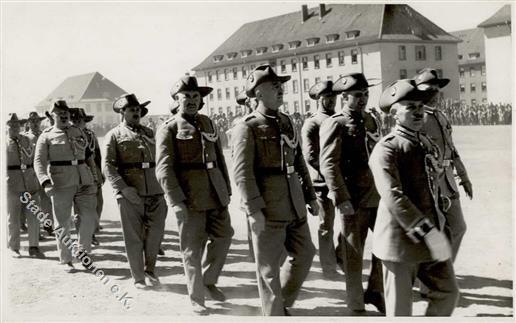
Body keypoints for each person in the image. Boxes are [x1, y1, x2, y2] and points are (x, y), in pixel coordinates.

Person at [232, 65, 319, 316]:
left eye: (280, 84)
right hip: (268, 208)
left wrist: (310, 196)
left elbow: (299, 160)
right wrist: (254, 210)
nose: (281, 89)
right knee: (268, 270)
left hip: (294, 203)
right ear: (258, 93)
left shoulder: (286, 120)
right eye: (274, 86)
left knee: (304, 255)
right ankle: (274, 315)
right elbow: (242, 174)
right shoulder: (246, 127)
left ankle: (281, 304)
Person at [369, 79, 459, 316]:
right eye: (410, 107)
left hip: (431, 237)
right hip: (400, 242)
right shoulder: (387, 148)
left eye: (420, 106)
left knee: (448, 293)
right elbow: (393, 197)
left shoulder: (426, 143)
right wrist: (427, 231)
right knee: (400, 311)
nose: (418, 112)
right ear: (395, 114)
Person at [156, 76, 233, 315]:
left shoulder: (208, 123)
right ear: (177, 100)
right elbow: (164, 169)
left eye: (195, 96)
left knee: (224, 237)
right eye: (186, 96)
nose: (191, 100)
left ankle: (209, 280)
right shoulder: (168, 128)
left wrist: (226, 189)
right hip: (190, 198)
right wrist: (176, 201)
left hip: (216, 192)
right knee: (192, 249)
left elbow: (219, 159)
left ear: (201, 100)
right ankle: (197, 297)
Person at [319, 73, 385, 314]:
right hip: (353, 199)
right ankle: (356, 306)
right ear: (344, 97)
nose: (363, 99)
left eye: (366, 95)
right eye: (358, 95)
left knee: (387, 244)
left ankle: (376, 291)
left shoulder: (371, 120)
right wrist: (341, 198)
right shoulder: (335, 123)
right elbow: (328, 164)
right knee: (354, 256)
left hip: (378, 195)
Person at [103, 93, 167, 289]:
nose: (136, 112)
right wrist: (123, 189)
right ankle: (139, 277)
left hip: (156, 191)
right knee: (133, 237)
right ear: (122, 113)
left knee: (155, 234)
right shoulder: (114, 135)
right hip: (131, 193)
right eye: (132, 109)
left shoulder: (150, 132)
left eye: (138, 109)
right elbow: (108, 166)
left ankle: (150, 270)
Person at [414, 68, 472, 263]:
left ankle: (443, 271)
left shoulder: (441, 116)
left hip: (447, 181)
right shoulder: (416, 117)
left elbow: (452, 149)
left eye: (437, 89)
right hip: (427, 182)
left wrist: (464, 177)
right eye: (429, 89)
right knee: (429, 231)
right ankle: (429, 282)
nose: (434, 93)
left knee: (458, 227)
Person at [34, 100, 98, 272]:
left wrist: (95, 175)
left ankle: (84, 253)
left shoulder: (77, 131)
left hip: (84, 179)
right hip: (60, 182)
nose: (63, 116)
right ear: (52, 116)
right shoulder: (46, 136)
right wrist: (45, 182)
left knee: (88, 217)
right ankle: (66, 259)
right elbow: (39, 162)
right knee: (62, 222)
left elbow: (88, 155)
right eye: (59, 113)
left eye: (66, 113)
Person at [301, 80, 343, 279]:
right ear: (318, 99)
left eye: (334, 96)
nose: (331, 100)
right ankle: (328, 266)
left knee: (350, 222)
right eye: (327, 97)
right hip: (322, 183)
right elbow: (310, 156)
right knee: (326, 225)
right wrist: (330, 173)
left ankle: (341, 258)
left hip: (342, 180)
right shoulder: (312, 122)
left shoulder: (340, 119)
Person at [7, 113, 45, 258]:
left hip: (30, 183)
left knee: (34, 216)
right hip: (12, 184)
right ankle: (14, 247)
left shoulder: (28, 140)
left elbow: (37, 159)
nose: (15, 127)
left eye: (17, 125)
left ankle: (34, 246)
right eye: (11, 125)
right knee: (13, 218)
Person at [70, 108, 104, 246]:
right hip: (75, 173)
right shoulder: (69, 135)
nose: (78, 123)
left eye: (80, 120)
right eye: (75, 120)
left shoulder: (90, 135)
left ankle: (92, 229)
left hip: (92, 170)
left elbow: (97, 155)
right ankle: (86, 235)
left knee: (98, 203)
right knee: (79, 207)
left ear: (85, 122)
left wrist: (99, 173)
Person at [25, 111, 54, 238]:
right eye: (32, 121)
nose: (35, 123)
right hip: (31, 172)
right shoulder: (25, 137)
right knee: (34, 201)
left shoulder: (45, 135)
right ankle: (36, 230)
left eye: (37, 121)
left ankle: (48, 225)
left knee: (47, 199)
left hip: (44, 170)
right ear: (28, 123)